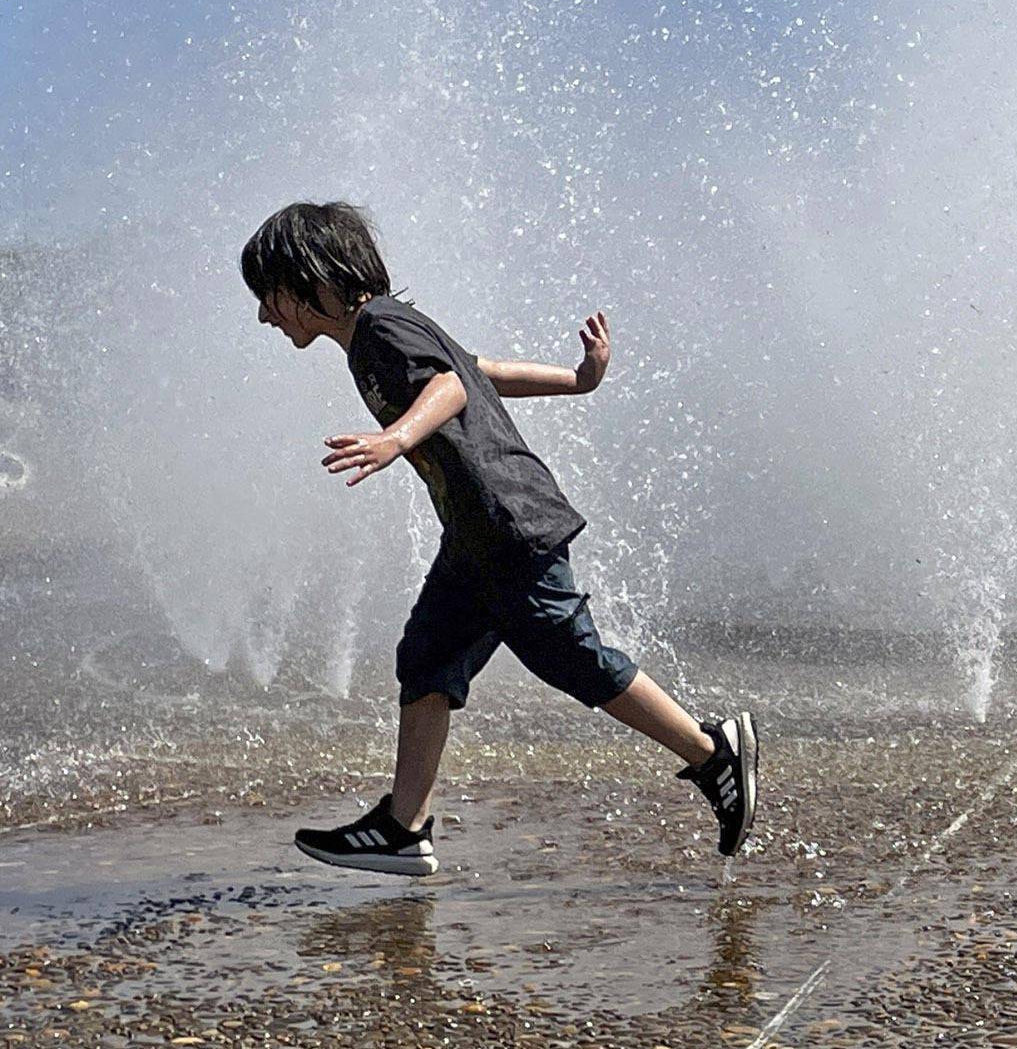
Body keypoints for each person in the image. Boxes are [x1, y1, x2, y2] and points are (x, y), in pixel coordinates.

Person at [241, 200, 758, 876]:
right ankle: (404, 826)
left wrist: (395, 438)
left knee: (572, 657)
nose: (263, 316)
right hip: (475, 536)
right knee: (427, 658)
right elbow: (477, 369)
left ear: (309, 277)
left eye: (268, 297)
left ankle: (712, 753)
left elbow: (452, 387)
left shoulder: (378, 329)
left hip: (507, 524)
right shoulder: (390, 328)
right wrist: (576, 382)